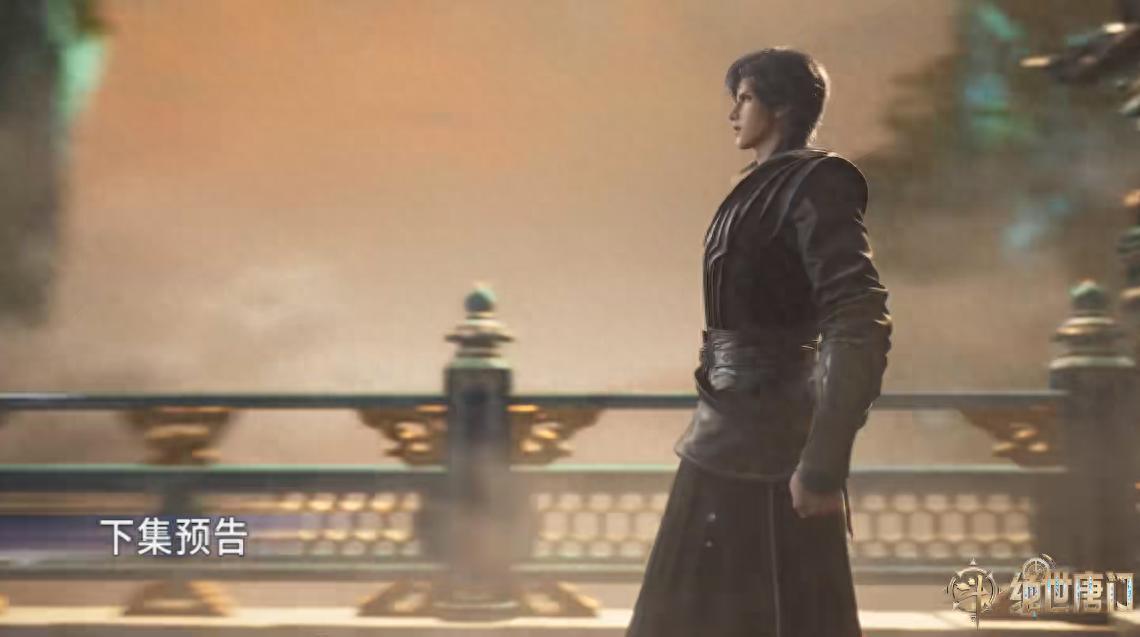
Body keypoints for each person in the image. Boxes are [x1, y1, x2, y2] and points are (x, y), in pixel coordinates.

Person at [626, 47, 892, 637]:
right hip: (722, 425)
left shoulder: (817, 183)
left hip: (776, 444)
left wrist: (822, 463)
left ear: (782, 107)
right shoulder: (757, 188)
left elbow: (858, 318)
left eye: (744, 99)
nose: (733, 114)